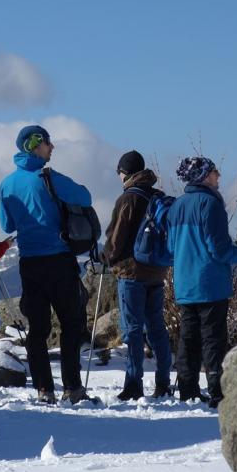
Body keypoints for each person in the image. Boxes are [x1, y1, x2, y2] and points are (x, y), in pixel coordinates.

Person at [0, 125, 93, 405]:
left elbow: (6, 224)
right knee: (71, 323)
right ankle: (72, 387)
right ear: (35, 145)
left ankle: (43, 389)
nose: (52, 147)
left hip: (29, 262)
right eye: (48, 143)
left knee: (37, 328)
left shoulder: (7, 184)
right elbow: (85, 197)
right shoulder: (48, 177)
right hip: (59, 259)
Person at [166, 156, 237, 408]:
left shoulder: (177, 206)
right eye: (214, 172)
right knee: (213, 338)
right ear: (203, 175)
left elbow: (171, 247)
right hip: (210, 282)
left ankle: (187, 388)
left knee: (187, 338)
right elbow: (220, 249)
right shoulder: (210, 204)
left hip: (185, 282)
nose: (218, 176)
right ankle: (217, 390)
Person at [102, 150, 172, 401]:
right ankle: (164, 382)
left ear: (125, 172)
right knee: (157, 328)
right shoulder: (158, 196)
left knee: (132, 329)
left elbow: (116, 238)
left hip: (132, 273)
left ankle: (133, 384)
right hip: (157, 270)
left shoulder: (128, 199)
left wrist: (106, 257)